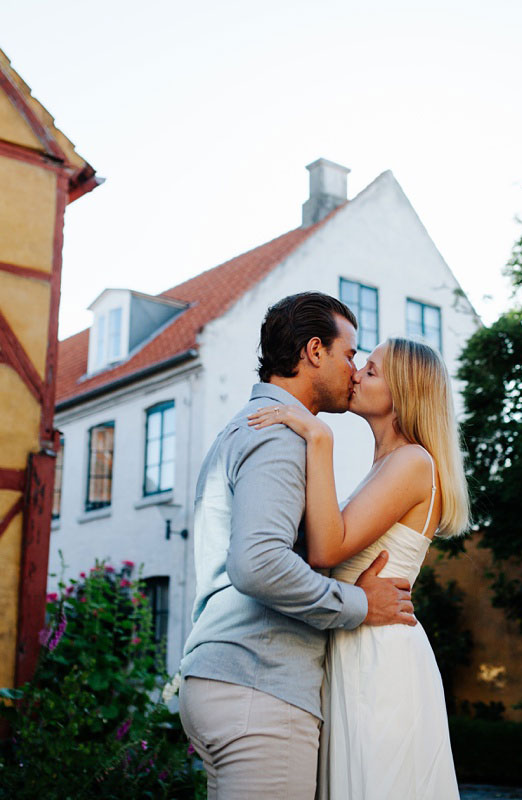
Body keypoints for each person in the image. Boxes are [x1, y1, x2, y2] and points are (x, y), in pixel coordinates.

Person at [178, 292, 417, 800]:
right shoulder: (279, 436)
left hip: (229, 680)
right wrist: (360, 603)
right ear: (314, 352)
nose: (355, 371)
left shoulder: (250, 427)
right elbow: (258, 563)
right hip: (260, 688)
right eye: (350, 355)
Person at [248, 336, 470, 799]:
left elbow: (326, 550)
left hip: (380, 658)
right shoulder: (386, 464)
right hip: (355, 644)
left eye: (370, 371)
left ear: (402, 393)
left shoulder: (412, 462)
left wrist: (318, 436)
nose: (355, 374)